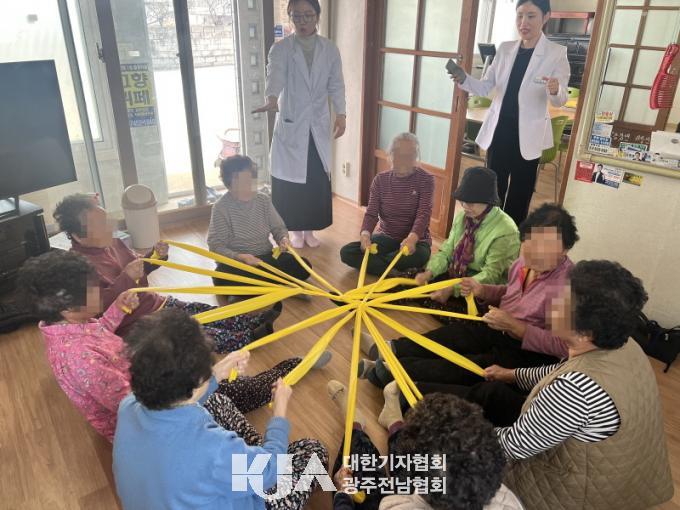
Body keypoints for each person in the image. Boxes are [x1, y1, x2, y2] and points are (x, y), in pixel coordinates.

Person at [18, 251, 302, 442]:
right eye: (93, 290)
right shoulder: (78, 358)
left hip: (156, 396)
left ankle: (279, 380)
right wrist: (278, 421)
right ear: (68, 308)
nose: (101, 293)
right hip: (151, 419)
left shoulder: (72, 327)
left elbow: (99, 332)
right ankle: (261, 435)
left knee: (225, 392)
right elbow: (139, 408)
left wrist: (117, 310)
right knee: (219, 403)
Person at [489, 260, 674, 510]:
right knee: (493, 393)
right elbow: (563, 369)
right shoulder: (625, 346)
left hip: (573, 493)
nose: (551, 304)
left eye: (560, 303)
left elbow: (515, 446)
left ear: (585, 332)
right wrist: (512, 375)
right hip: (623, 475)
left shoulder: (574, 390)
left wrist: (457, 438)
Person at [113, 308, 328, 510]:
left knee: (216, 402)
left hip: (174, 485)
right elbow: (269, 473)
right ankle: (257, 457)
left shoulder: (128, 406)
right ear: (197, 381)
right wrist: (279, 414)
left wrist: (216, 374)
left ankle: (252, 456)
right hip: (244, 481)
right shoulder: (213, 452)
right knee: (314, 453)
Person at [361, 204, 577, 389]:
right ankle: (390, 349)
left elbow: (563, 346)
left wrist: (517, 327)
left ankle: (390, 371)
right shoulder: (523, 264)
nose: (534, 254)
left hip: (525, 351)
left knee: (465, 364)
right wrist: (483, 290)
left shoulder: (566, 286)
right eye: (530, 245)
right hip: (499, 326)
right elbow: (510, 292)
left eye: (546, 248)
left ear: (565, 250)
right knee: (455, 335)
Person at [53, 193, 277, 353]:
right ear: (78, 236)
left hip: (155, 303)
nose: (109, 228)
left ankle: (249, 321)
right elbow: (98, 310)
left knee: (201, 310)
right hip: (136, 324)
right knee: (192, 331)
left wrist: (155, 256)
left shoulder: (113, 243)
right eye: (100, 226)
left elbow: (140, 266)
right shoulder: (77, 267)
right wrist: (126, 278)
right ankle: (247, 337)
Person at [449, 0, 570, 226]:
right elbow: (485, 87)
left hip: (528, 136)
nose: (524, 22)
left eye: (531, 16)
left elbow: (561, 99)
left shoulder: (556, 53)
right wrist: (464, 79)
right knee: (493, 190)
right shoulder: (505, 49)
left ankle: (511, 237)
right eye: (520, 15)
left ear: (546, 17)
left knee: (520, 194)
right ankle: (488, 233)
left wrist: (555, 90)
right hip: (500, 132)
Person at [327, 382, 523, 510]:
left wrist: (343, 493)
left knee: (359, 473)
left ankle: (355, 426)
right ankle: (393, 420)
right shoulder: (507, 502)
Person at [253, 0, 346, 249]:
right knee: (291, 184)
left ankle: (309, 230)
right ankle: (293, 231)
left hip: (317, 125)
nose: (302, 21)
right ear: (290, 17)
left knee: (314, 180)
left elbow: (336, 84)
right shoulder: (281, 48)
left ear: (317, 16)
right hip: (292, 124)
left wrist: (341, 114)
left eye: (308, 15)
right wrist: (271, 99)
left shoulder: (329, 49)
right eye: (296, 16)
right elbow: (274, 76)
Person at [414, 166, 519, 321]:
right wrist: (429, 272)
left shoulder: (506, 230)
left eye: (470, 203)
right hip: (457, 275)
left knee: (466, 319)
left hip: (481, 288)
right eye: (463, 201)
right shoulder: (463, 217)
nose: (464, 207)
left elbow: (491, 275)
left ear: (488, 202)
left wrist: (452, 289)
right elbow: (447, 251)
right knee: (413, 281)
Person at [207, 155, 311, 286]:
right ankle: (272, 283)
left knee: (304, 266)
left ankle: (258, 286)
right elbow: (215, 246)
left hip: (266, 257)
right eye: (241, 183)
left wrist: (283, 239)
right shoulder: (221, 208)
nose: (247, 187)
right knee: (220, 277)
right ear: (229, 184)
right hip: (239, 263)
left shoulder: (263, 200)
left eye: (250, 181)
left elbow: (278, 228)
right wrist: (240, 257)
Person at [340, 133, 434, 276]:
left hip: (416, 241)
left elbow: (423, 214)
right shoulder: (380, 180)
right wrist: (365, 236)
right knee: (347, 252)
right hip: (386, 237)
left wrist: (412, 239)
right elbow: (371, 214)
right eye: (399, 154)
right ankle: (397, 272)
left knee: (417, 256)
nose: (404, 160)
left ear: (416, 157)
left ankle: (380, 266)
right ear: (390, 155)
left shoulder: (426, 180)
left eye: (409, 156)